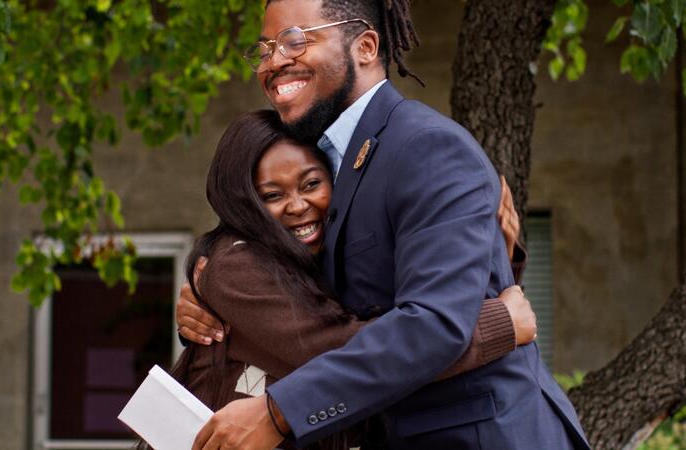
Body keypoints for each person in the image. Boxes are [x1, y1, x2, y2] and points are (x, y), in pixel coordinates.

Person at [192, 1, 590, 449]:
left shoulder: (425, 147)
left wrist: (280, 412)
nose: (274, 61)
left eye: (294, 41)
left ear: (364, 46)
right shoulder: (330, 161)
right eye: (264, 49)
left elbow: (436, 323)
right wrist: (210, 287)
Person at [169, 109, 536, 450]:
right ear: (245, 203)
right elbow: (350, 350)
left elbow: (397, 309)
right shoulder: (237, 264)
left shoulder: (323, 259)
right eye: (273, 196)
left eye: (311, 183)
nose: (298, 206)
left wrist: (489, 264)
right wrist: (498, 326)